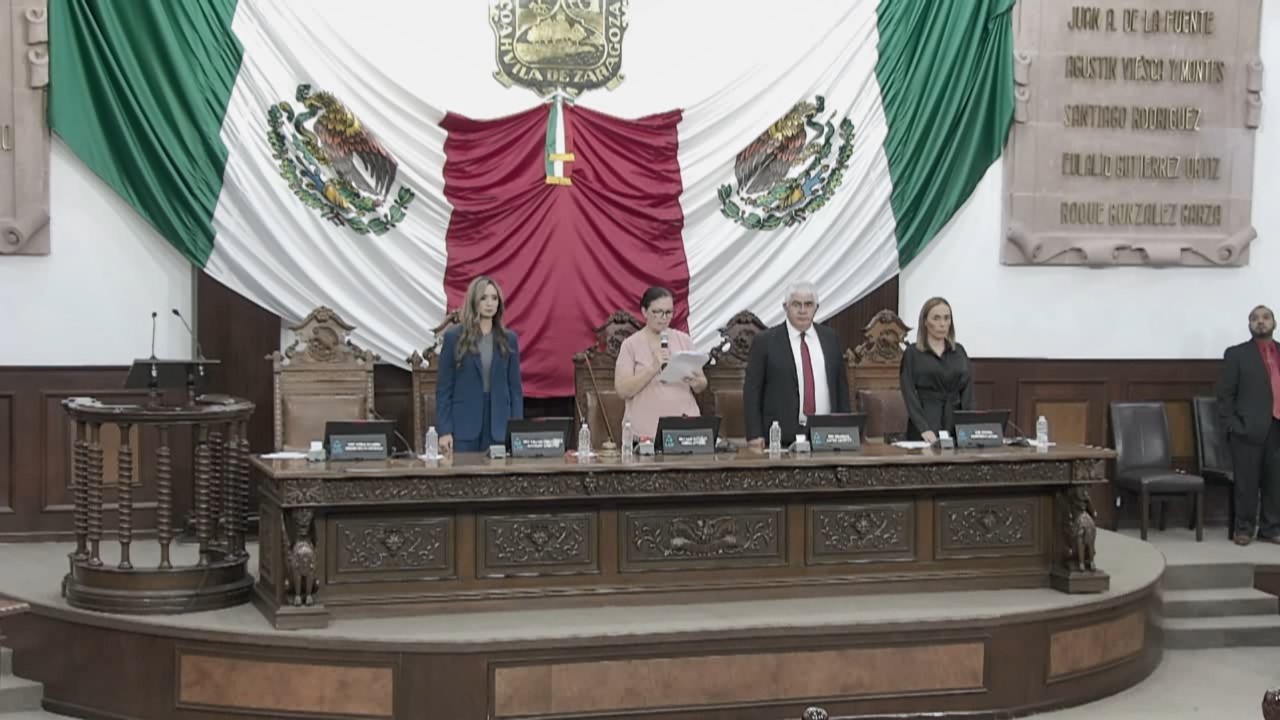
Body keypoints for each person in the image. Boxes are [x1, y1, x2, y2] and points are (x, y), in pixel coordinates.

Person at [744, 281, 850, 448]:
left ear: (816, 308)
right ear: (785, 307)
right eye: (796, 304)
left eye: (808, 304)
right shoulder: (765, 341)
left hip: (827, 434)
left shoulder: (830, 338)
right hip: (779, 437)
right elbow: (752, 391)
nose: (802, 310)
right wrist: (754, 434)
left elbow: (841, 387)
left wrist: (845, 429)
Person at [436, 276, 524, 453]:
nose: (490, 303)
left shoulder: (509, 339)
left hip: (499, 424)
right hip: (464, 424)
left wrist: (517, 430)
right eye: (483, 298)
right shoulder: (454, 337)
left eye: (494, 298)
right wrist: (444, 431)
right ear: (474, 301)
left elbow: (515, 389)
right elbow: (444, 389)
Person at [1216, 305, 1280, 546]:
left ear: (1274, 323)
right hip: (1247, 428)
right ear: (1249, 325)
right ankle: (1243, 528)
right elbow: (1225, 395)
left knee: (1275, 482)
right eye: (1255, 318)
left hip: (1277, 427)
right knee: (1246, 482)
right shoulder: (1237, 354)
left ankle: (1270, 529)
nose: (1260, 322)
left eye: (1266, 317)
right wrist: (1233, 425)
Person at [614, 286, 707, 440]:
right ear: (644, 312)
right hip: (645, 433)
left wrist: (697, 382)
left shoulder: (684, 340)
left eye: (668, 312)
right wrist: (652, 368)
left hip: (684, 427)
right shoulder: (630, 344)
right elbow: (623, 390)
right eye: (657, 312)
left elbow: (702, 383)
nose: (663, 318)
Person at [900, 297, 975, 443]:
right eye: (936, 318)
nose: (942, 324)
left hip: (955, 422)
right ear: (925, 321)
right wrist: (923, 428)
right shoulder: (912, 353)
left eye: (947, 318)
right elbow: (909, 394)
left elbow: (968, 392)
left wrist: (966, 425)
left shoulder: (959, 351)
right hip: (926, 423)